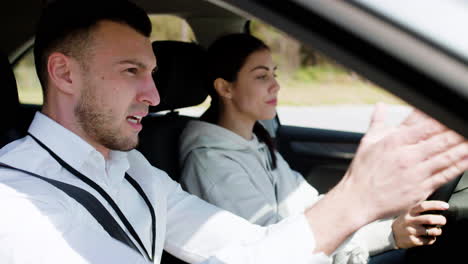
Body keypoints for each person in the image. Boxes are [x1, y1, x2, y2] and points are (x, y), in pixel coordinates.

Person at [0, 0, 466, 263]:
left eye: (152, 73)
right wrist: (357, 201)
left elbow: (242, 247)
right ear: (64, 74)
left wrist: (371, 219)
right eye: (130, 71)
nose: (154, 95)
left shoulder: (131, 168)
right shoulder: (16, 202)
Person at [178, 33, 451, 263]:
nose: (276, 85)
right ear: (225, 88)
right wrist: (388, 235)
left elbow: (310, 207)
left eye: (274, 73)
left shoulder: (256, 144)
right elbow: (275, 250)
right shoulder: (211, 162)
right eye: (261, 77)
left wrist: (390, 212)